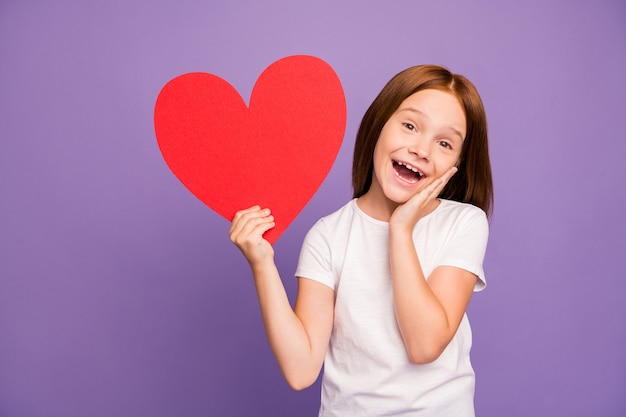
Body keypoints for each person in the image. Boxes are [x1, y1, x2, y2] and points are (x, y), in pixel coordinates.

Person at [229, 64, 493, 416]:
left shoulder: (463, 223)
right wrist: (261, 264)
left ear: (457, 162)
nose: (422, 149)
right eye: (410, 126)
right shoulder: (329, 235)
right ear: (379, 124)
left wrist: (400, 230)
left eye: (444, 143)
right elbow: (301, 369)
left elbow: (424, 344)